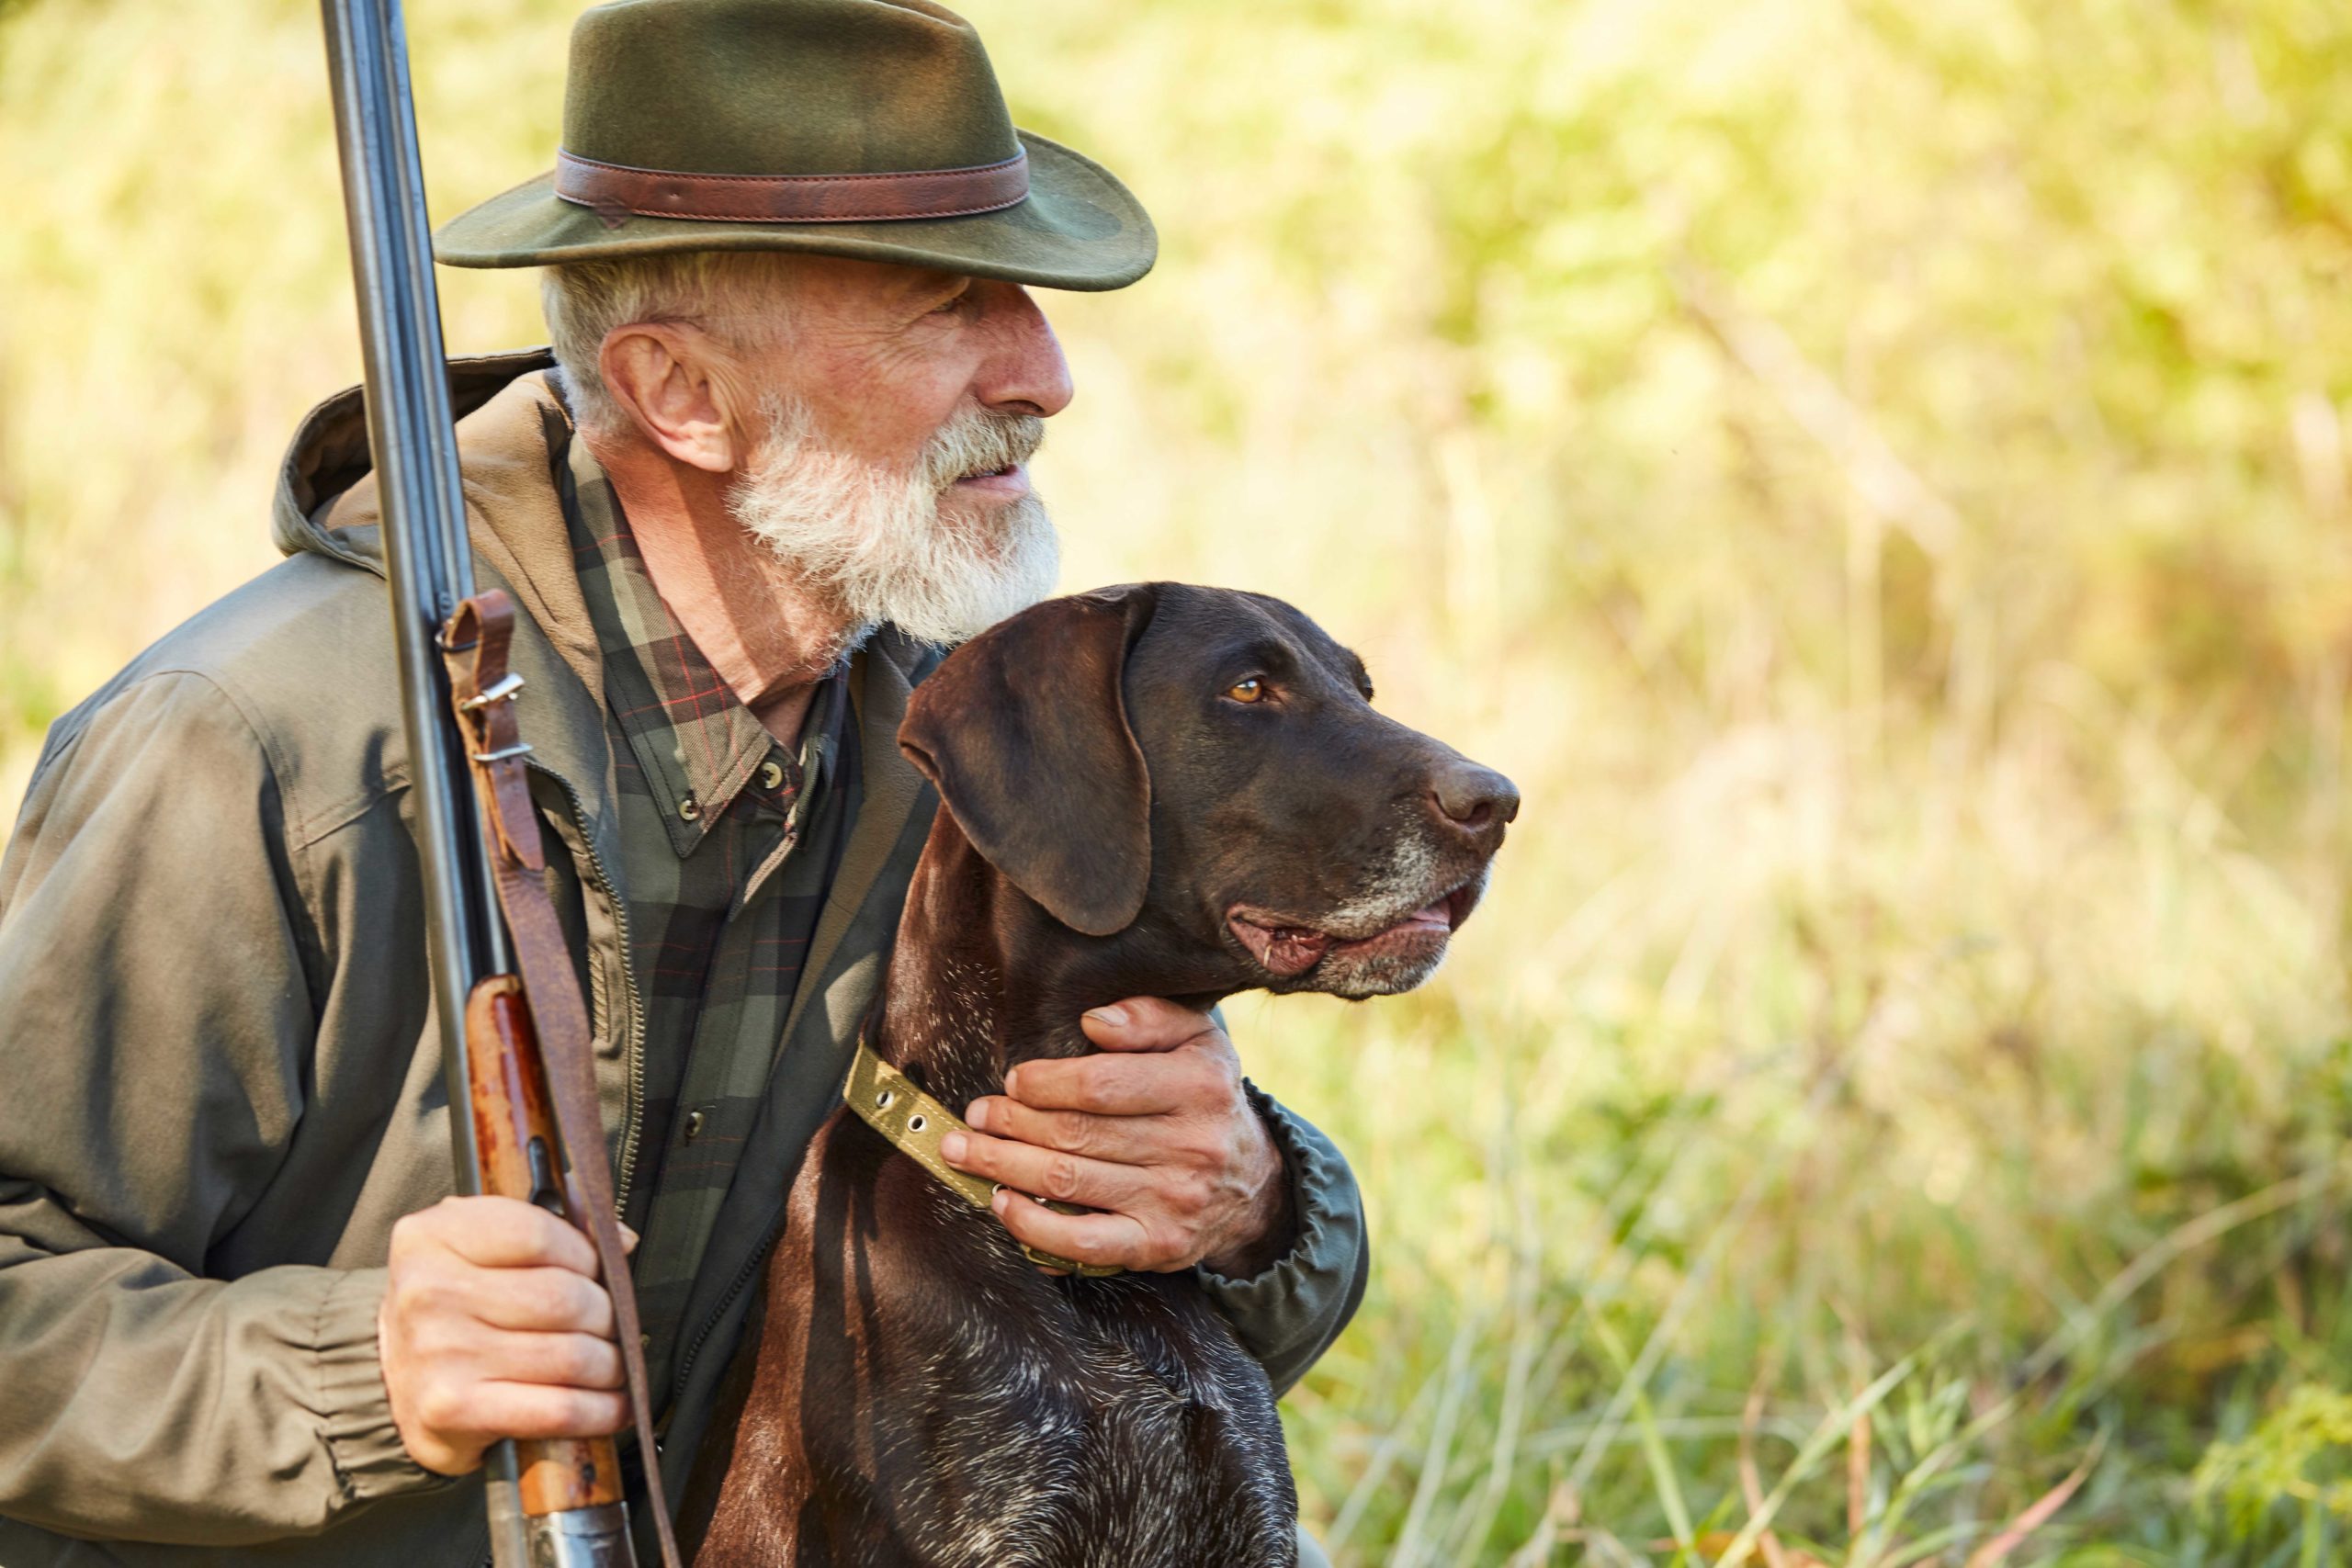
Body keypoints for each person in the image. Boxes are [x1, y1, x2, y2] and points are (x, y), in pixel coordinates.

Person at [0, 1, 1365, 1561]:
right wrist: (360, 1375)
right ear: (682, 392)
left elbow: (1222, 1281)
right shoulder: (258, 746)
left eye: (1031, 304)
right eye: (946, 305)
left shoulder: (957, 740)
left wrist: (1253, 1202)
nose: (1047, 375)